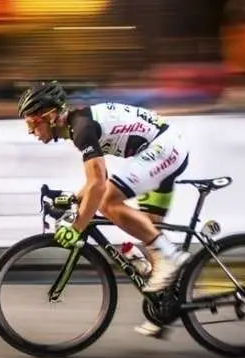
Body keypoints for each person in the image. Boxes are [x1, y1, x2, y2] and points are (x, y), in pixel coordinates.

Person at [16, 81, 191, 337]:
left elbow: (98, 186)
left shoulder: (82, 128)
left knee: (109, 203)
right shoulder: (79, 125)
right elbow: (96, 180)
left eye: (32, 123)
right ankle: (164, 310)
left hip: (165, 149)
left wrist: (76, 228)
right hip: (164, 147)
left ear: (50, 116)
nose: (31, 131)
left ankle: (172, 256)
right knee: (148, 232)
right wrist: (73, 199)